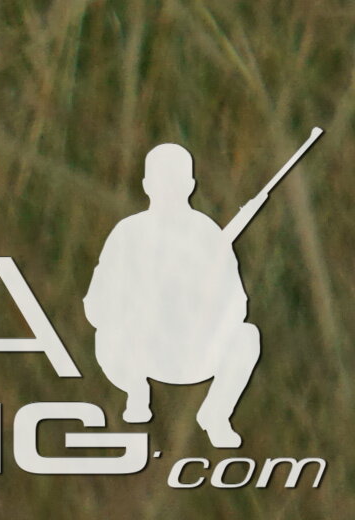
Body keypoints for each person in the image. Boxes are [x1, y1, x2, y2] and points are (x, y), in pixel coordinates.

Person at [90, 142, 263, 450]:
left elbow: (238, 305)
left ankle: (216, 414)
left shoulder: (208, 235)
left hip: (195, 351)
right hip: (142, 353)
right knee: (107, 336)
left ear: (190, 185)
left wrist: (200, 301)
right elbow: (96, 305)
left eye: (175, 180)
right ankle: (136, 393)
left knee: (247, 337)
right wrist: (138, 306)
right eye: (161, 181)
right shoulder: (127, 233)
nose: (168, 189)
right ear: (146, 185)